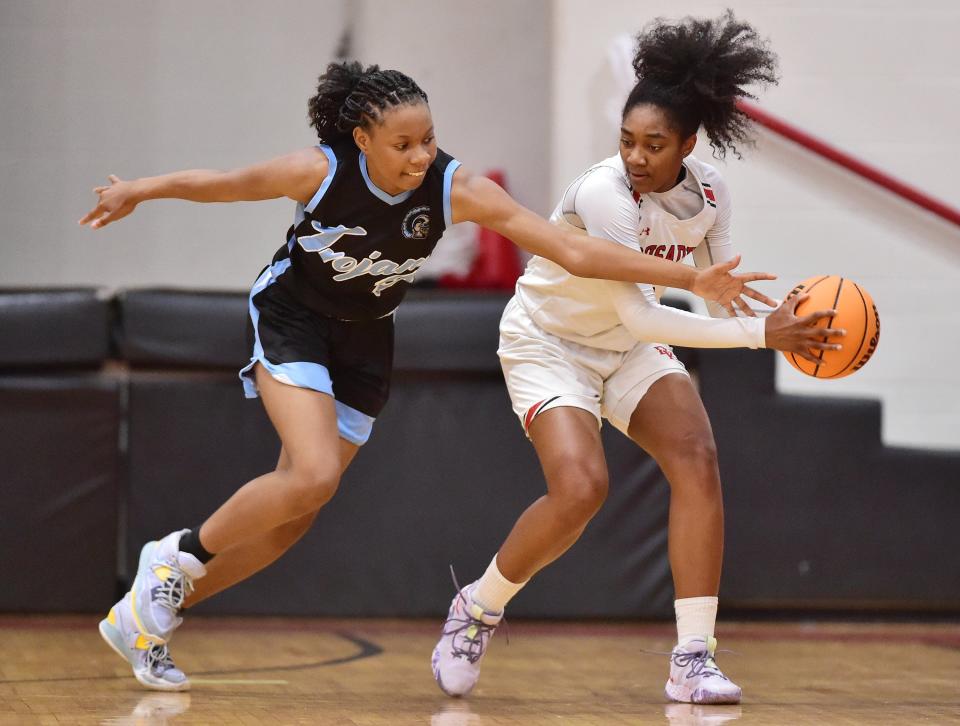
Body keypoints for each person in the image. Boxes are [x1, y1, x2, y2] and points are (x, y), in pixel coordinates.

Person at [79, 60, 776, 692]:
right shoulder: (318, 172)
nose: (421, 156)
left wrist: (691, 278)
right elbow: (225, 185)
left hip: (364, 340)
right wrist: (142, 189)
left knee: (295, 515)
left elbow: (571, 249)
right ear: (362, 139)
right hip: (293, 320)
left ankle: (147, 614)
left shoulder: (453, 187)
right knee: (313, 473)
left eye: (427, 140)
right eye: (403, 144)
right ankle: (173, 557)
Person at [430, 11, 844, 705]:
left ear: (688, 142)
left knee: (697, 458)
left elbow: (713, 304)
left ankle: (692, 658)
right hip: (550, 342)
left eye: (655, 144)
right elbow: (643, 311)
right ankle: (477, 608)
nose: (637, 157)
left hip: (627, 348)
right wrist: (757, 337)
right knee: (581, 489)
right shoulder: (605, 194)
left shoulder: (709, 194)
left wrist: (773, 321)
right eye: (627, 141)